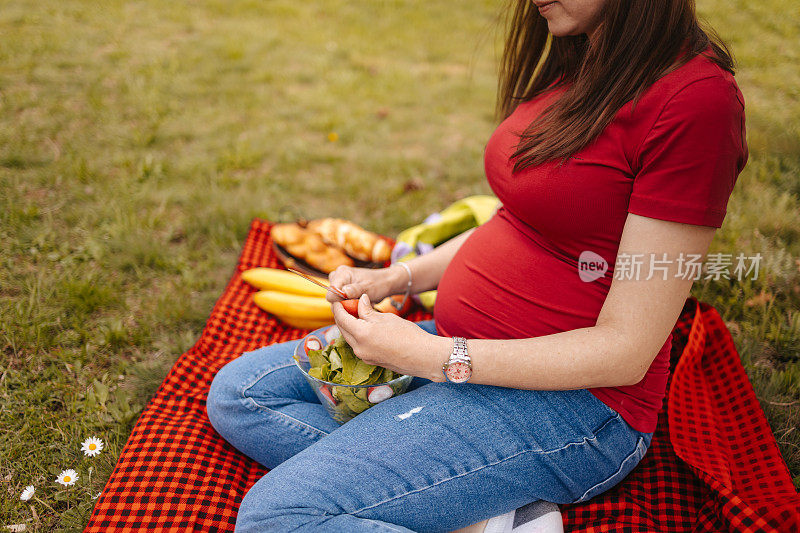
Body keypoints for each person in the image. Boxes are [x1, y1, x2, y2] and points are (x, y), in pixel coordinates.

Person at [206, 0, 748, 531]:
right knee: (241, 394)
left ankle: (440, 486)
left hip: (571, 406)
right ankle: (489, 515)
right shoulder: (587, 53)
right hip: (458, 345)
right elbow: (519, 219)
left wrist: (437, 358)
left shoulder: (696, 104)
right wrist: (397, 277)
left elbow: (627, 351)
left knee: (277, 516)